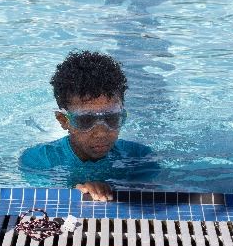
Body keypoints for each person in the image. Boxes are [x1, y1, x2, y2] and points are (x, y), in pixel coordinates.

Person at [19, 51, 159, 201]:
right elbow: (43, 201)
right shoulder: (39, 160)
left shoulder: (140, 157)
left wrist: (113, 189)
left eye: (112, 118)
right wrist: (74, 192)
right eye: (86, 120)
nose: (101, 133)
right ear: (63, 120)